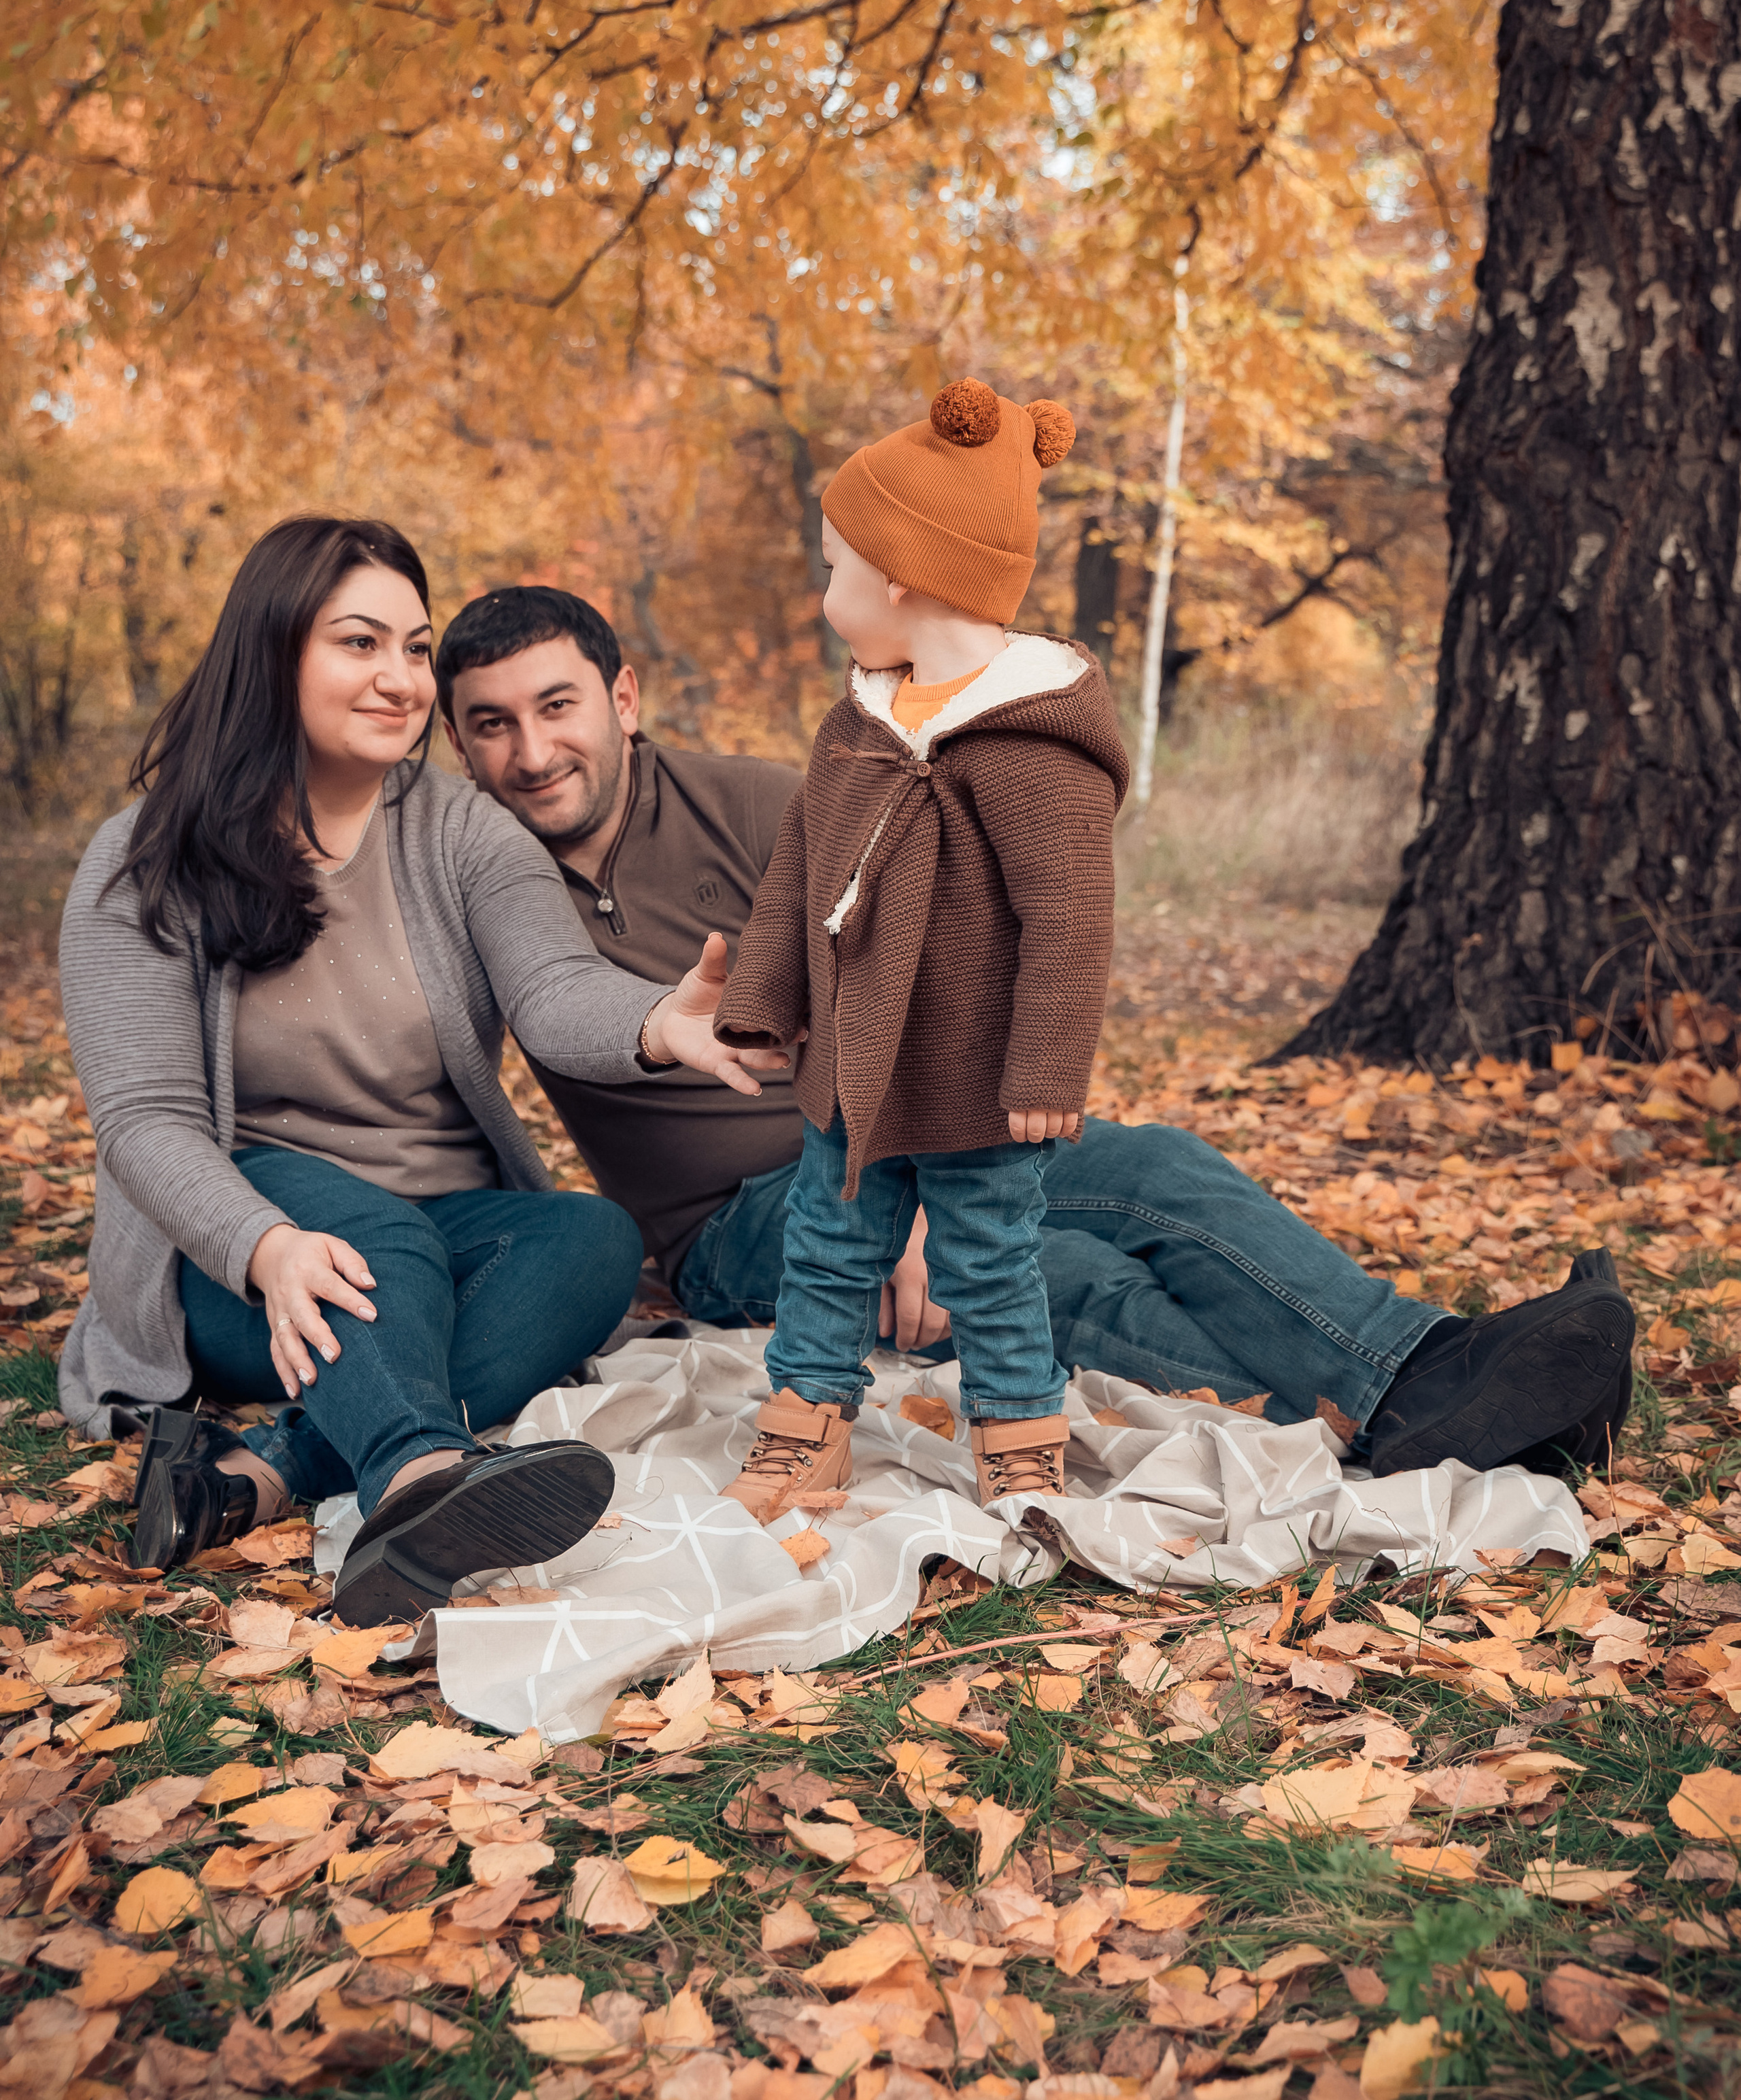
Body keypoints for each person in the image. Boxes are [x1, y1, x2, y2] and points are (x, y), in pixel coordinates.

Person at [437, 596, 1636, 1491]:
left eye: (557, 707)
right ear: (454, 740)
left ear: (622, 698)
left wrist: (903, 1181)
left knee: (1160, 1170)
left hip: (909, 1131)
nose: (531, 754)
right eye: (489, 726)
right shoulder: (486, 878)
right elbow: (501, 1035)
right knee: (1069, 1282)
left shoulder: (767, 798)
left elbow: (935, 960)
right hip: (742, 1223)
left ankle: (1435, 1360)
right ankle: (1407, 1423)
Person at [58, 516, 787, 1625]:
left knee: (592, 1241)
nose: (401, 679)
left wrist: (656, 1024)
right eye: (362, 644)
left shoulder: (463, 832)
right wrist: (263, 1245)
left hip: (439, 1240)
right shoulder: (146, 856)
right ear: (275, 650)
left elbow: (553, 989)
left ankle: (252, 1478)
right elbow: (146, 1121)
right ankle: (414, 1476)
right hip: (240, 1255)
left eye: (414, 646)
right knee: (378, 1239)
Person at [709, 379, 1126, 1512]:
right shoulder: (859, 722)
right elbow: (800, 867)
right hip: (851, 1062)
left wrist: (1046, 1070)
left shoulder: (1030, 741)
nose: (824, 589)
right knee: (827, 1247)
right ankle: (808, 1420)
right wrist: (760, 1002)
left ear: (901, 576)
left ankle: (1017, 1431)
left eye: (836, 567)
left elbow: (1071, 919)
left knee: (989, 1257)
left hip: (977, 1075)